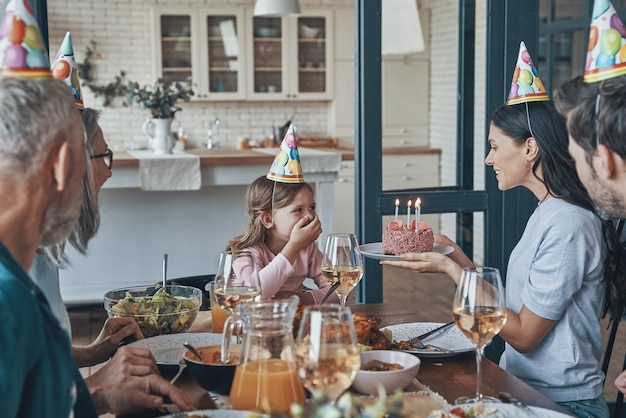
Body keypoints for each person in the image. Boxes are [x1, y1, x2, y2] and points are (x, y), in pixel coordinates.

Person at [382, 42, 625, 418]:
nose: (488, 158)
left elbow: (524, 335)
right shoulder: (548, 210)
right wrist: (455, 255)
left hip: (563, 405)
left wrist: (452, 272)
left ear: (530, 148)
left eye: (495, 147)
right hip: (519, 390)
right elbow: (517, 305)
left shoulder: (569, 224)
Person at [227, 175, 338, 304]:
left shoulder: (307, 249)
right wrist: (294, 247)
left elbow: (337, 289)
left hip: (289, 321)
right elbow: (255, 294)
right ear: (268, 220)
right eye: (298, 210)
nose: (309, 216)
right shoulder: (248, 253)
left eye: (312, 208)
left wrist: (301, 298)